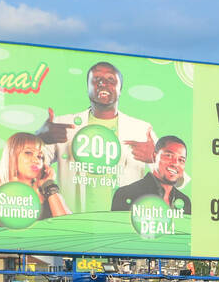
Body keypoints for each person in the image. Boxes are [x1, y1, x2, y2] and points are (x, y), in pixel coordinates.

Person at [38, 61, 157, 213]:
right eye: (96, 79)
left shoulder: (141, 129)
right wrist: (39, 138)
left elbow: (177, 180)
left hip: (122, 224)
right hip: (71, 221)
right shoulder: (62, 124)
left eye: (111, 80)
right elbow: (29, 166)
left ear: (120, 89)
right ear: (87, 87)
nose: (103, 83)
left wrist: (155, 157)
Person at [0, 133, 69, 226]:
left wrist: (49, 185)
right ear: (11, 155)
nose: (36, 160)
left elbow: (69, 229)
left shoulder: (48, 192)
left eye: (40, 156)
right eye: (28, 153)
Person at [111, 135, 191, 215]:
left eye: (181, 160)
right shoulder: (126, 194)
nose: (175, 163)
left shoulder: (185, 201)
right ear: (154, 157)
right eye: (168, 156)